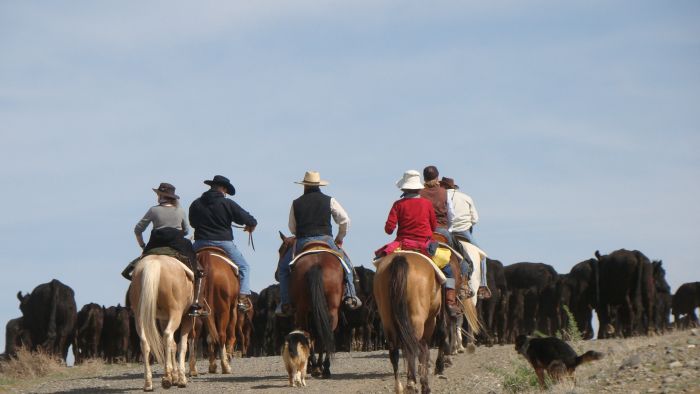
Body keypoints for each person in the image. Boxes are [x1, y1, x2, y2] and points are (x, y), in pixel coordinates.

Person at [275, 171, 362, 317]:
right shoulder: (330, 200)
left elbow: (292, 228)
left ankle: (285, 302)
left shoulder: (296, 203)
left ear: (304, 186)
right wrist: (340, 237)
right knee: (347, 265)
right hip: (326, 239)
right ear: (319, 185)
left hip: (303, 241)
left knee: (283, 269)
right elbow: (345, 220)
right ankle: (351, 295)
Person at [384, 170, 459, 316]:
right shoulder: (426, 204)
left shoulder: (397, 204)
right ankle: (450, 301)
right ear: (419, 188)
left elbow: (388, 229)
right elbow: (432, 227)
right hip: (424, 246)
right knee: (449, 269)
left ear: (403, 188)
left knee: (381, 265)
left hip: (402, 245)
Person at [122, 183, 203, 313]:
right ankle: (195, 301)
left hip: (155, 243)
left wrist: (143, 245)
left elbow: (138, 230)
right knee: (196, 269)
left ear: (160, 196)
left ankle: (131, 302)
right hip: (177, 243)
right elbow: (187, 231)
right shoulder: (180, 211)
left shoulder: (153, 210)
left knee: (138, 267)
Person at [189, 175, 257, 314]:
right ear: (223, 188)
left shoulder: (196, 203)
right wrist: (251, 225)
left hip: (200, 243)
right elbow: (248, 219)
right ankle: (242, 298)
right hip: (223, 243)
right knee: (244, 267)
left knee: (183, 266)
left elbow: (192, 223)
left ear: (212, 186)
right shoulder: (227, 203)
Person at [419, 166, 473, 297]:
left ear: (424, 178)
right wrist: (448, 229)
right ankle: (464, 285)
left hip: (423, 232)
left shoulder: (419, 193)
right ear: (437, 177)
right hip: (441, 231)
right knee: (464, 258)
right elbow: (451, 215)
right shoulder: (444, 193)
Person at [440, 176, 490, 298]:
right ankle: (483, 286)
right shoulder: (466, 198)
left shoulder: (441, 197)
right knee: (482, 257)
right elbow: (475, 219)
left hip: (445, 232)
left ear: (443, 186)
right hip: (463, 232)